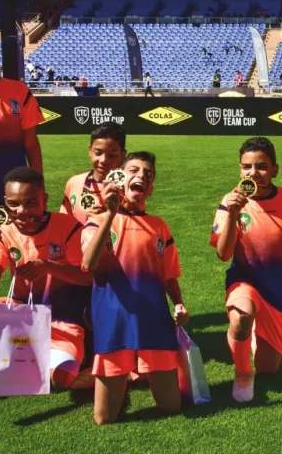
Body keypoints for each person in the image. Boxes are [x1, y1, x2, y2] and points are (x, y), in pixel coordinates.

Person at [81, 152, 189, 425]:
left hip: (154, 321)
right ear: (118, 178)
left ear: (150, 188)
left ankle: (138, 371)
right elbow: (89, 262)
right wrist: (111, 213)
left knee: (171, 408)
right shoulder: (97, 220)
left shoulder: (159, 226)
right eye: (134, 170)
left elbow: (168, 274)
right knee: (105, 418)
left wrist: (178, 302)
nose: (141, 176)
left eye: (148, 174)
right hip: (114, 322)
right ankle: (125, 373)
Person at [211, 137, 282, 402]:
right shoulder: (230, 202)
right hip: (244, 280)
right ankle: (243, 372)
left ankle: (253, 338)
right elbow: (223, 255)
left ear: (275, 170)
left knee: (269, 369)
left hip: (277, 290)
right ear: (240, 170)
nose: (253, 173)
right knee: (241, 317)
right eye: (246, 167)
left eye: (261, 167)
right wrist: (232, 215)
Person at [0, 167, 93, 390]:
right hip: (21, 313)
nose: (22, 210)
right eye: (14, 204)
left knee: (61, 380)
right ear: (5, 202)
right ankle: (22, 355)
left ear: (44, 199)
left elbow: (87, 279)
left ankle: (93, 361)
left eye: (31, 202)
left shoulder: (68, 227)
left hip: (63, 316)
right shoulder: (3, 232)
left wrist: (48, 267)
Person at [0, 30, 44, 212]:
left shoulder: (19, 92)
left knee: (12, 241)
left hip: (12, 192)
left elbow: (31, 144)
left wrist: (38, 185)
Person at [61, 122, 127, 225]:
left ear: (123, 155)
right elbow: (64, 222)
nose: (104, 160)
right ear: (90, 151)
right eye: (98, 153)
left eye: (112, 155)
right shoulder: (74, 183)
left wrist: (107, 215)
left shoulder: (128, 188)